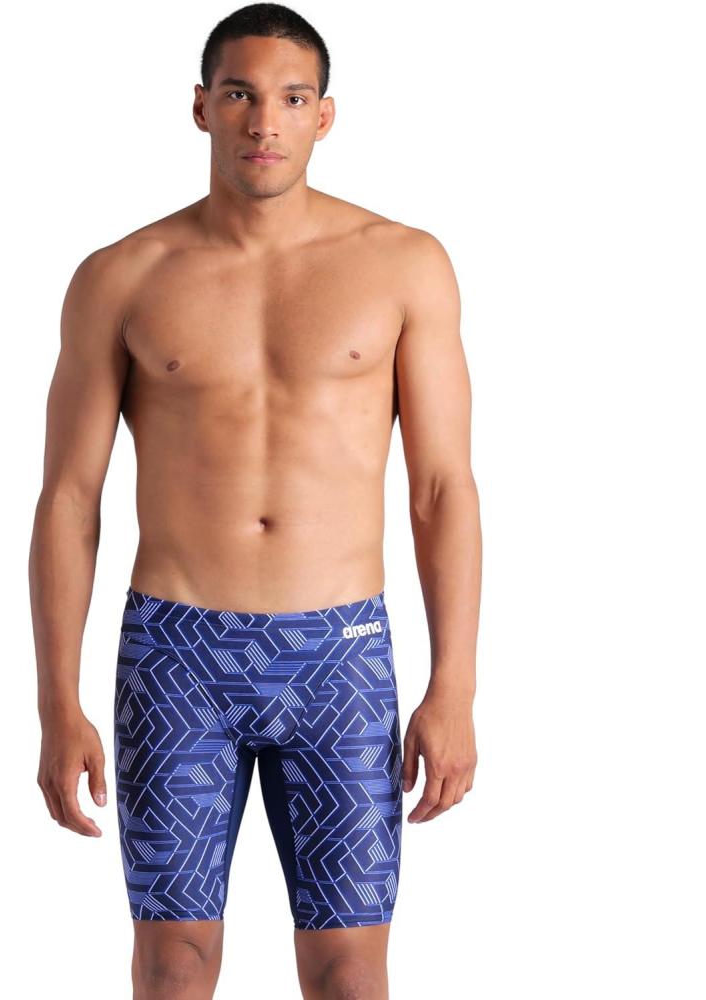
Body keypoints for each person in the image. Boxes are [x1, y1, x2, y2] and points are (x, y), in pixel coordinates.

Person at [29, 3, 481, 997]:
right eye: (239, 94)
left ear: (325, 115)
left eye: (290, 98)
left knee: (349, 971)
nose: (263, 122)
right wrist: (57, 702)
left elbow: (441, 487)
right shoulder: (122, 277)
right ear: (201, 107)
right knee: (173, 965)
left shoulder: (403, 264)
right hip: (176, 656)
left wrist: (454, 685)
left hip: (339, 656)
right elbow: (69, 497)